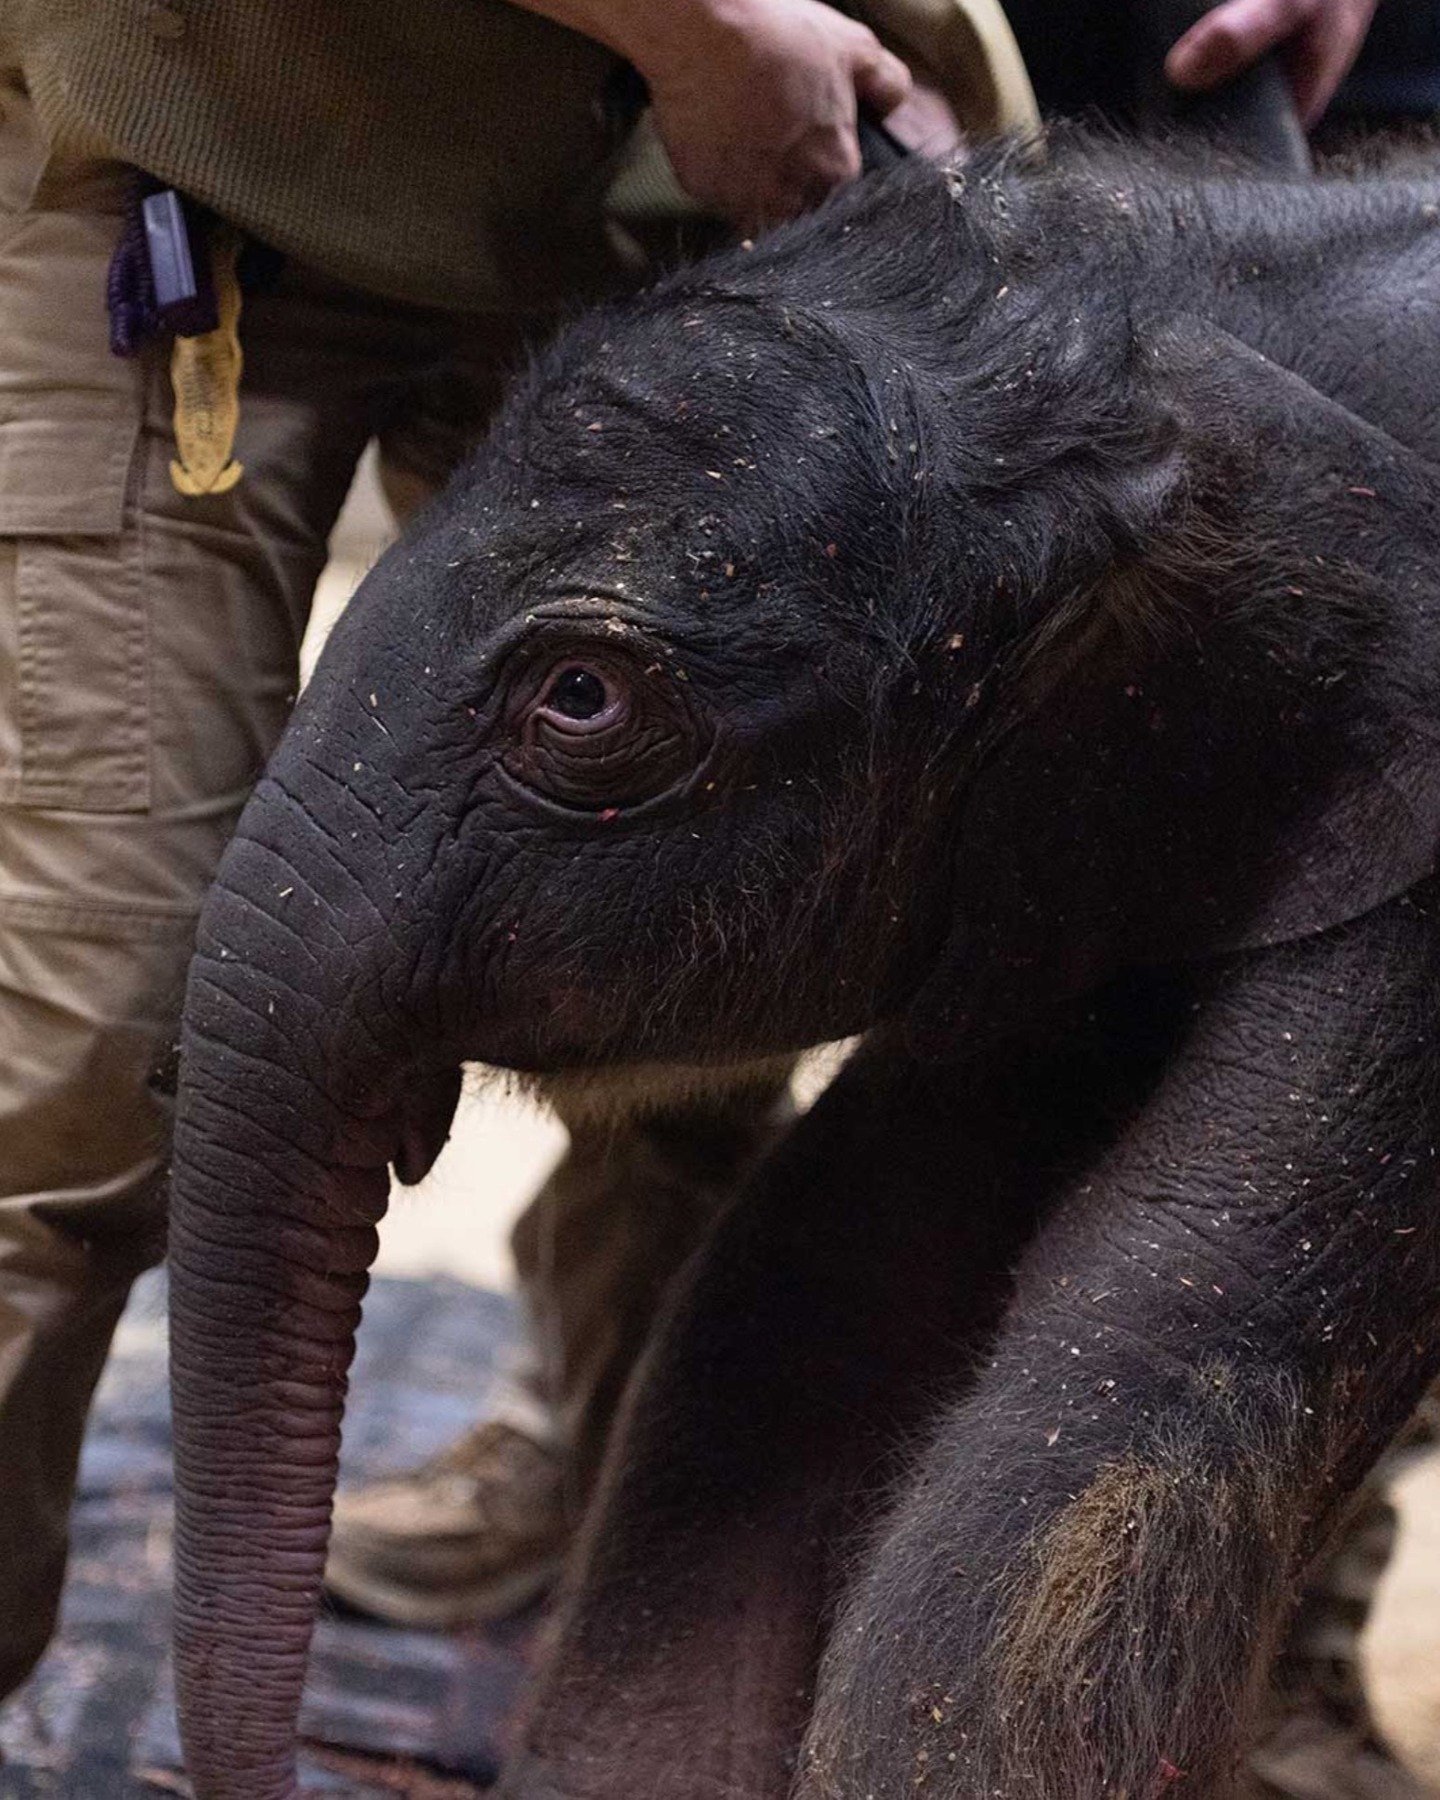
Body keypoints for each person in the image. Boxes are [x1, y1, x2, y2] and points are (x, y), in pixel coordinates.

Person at [0, 0, 1378, 1754]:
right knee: (97, 1038)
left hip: (730, 196)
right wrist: (700, 23)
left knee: (700, 991)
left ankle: (632, 1598)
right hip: (237, 154)